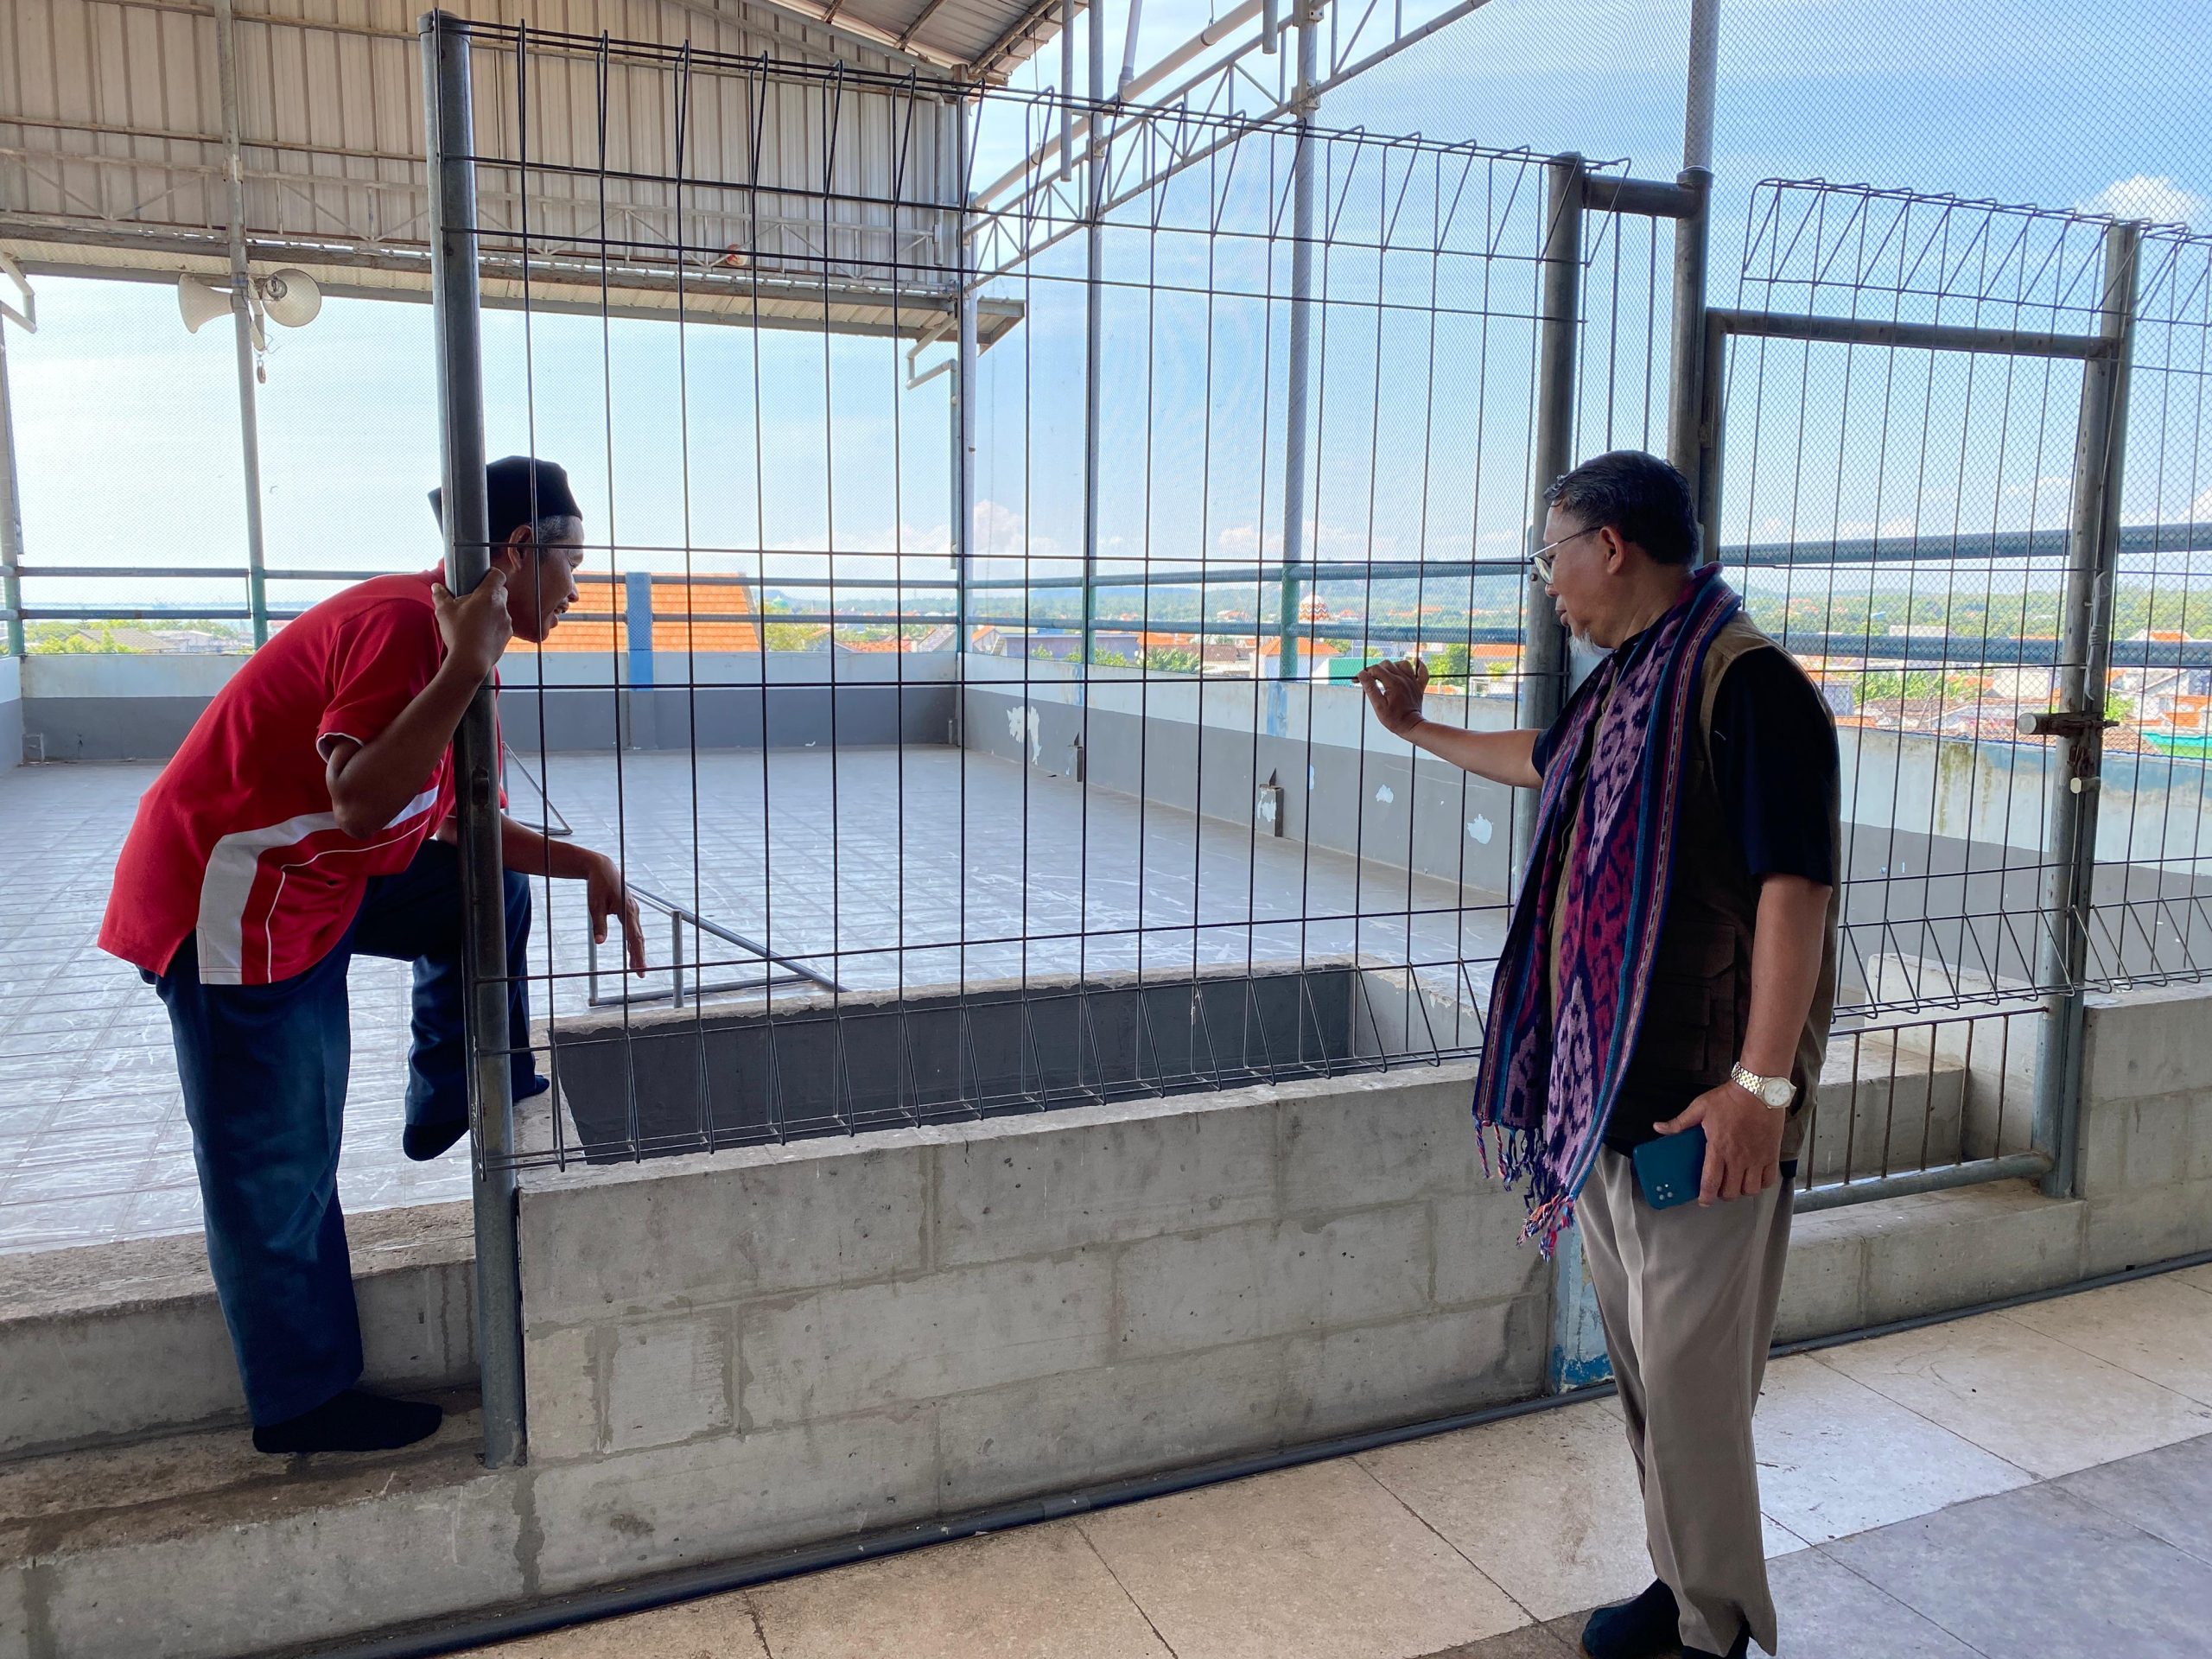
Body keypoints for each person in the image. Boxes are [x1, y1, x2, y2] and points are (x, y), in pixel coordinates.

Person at [1357, 450, 1840, 1659]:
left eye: (1550, 555)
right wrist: (1417, 729)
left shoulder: (1747, 687)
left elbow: (1795, 894)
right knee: (1648, 1382)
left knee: (1693, 1393)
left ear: (1610, 547)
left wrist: (1759, 1091)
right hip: (1607, 1104)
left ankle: (1715, 1630)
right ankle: (1680, 1589)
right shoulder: (1630, 686)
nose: (1549, 583)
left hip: (1705, 1116)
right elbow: (1543, 759)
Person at [99, 455, 649, 1456]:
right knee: (279, 1162)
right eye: (572, 561)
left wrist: (587, 863)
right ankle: (302, 1401)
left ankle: (454, 1087)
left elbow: (460, 828)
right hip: (234, 897)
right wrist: (463, 667)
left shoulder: (458, 643)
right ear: (517, 550)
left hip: (320, 883)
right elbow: (360, 800)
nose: (578, 588)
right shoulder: (411, 632)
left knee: (491, 890)